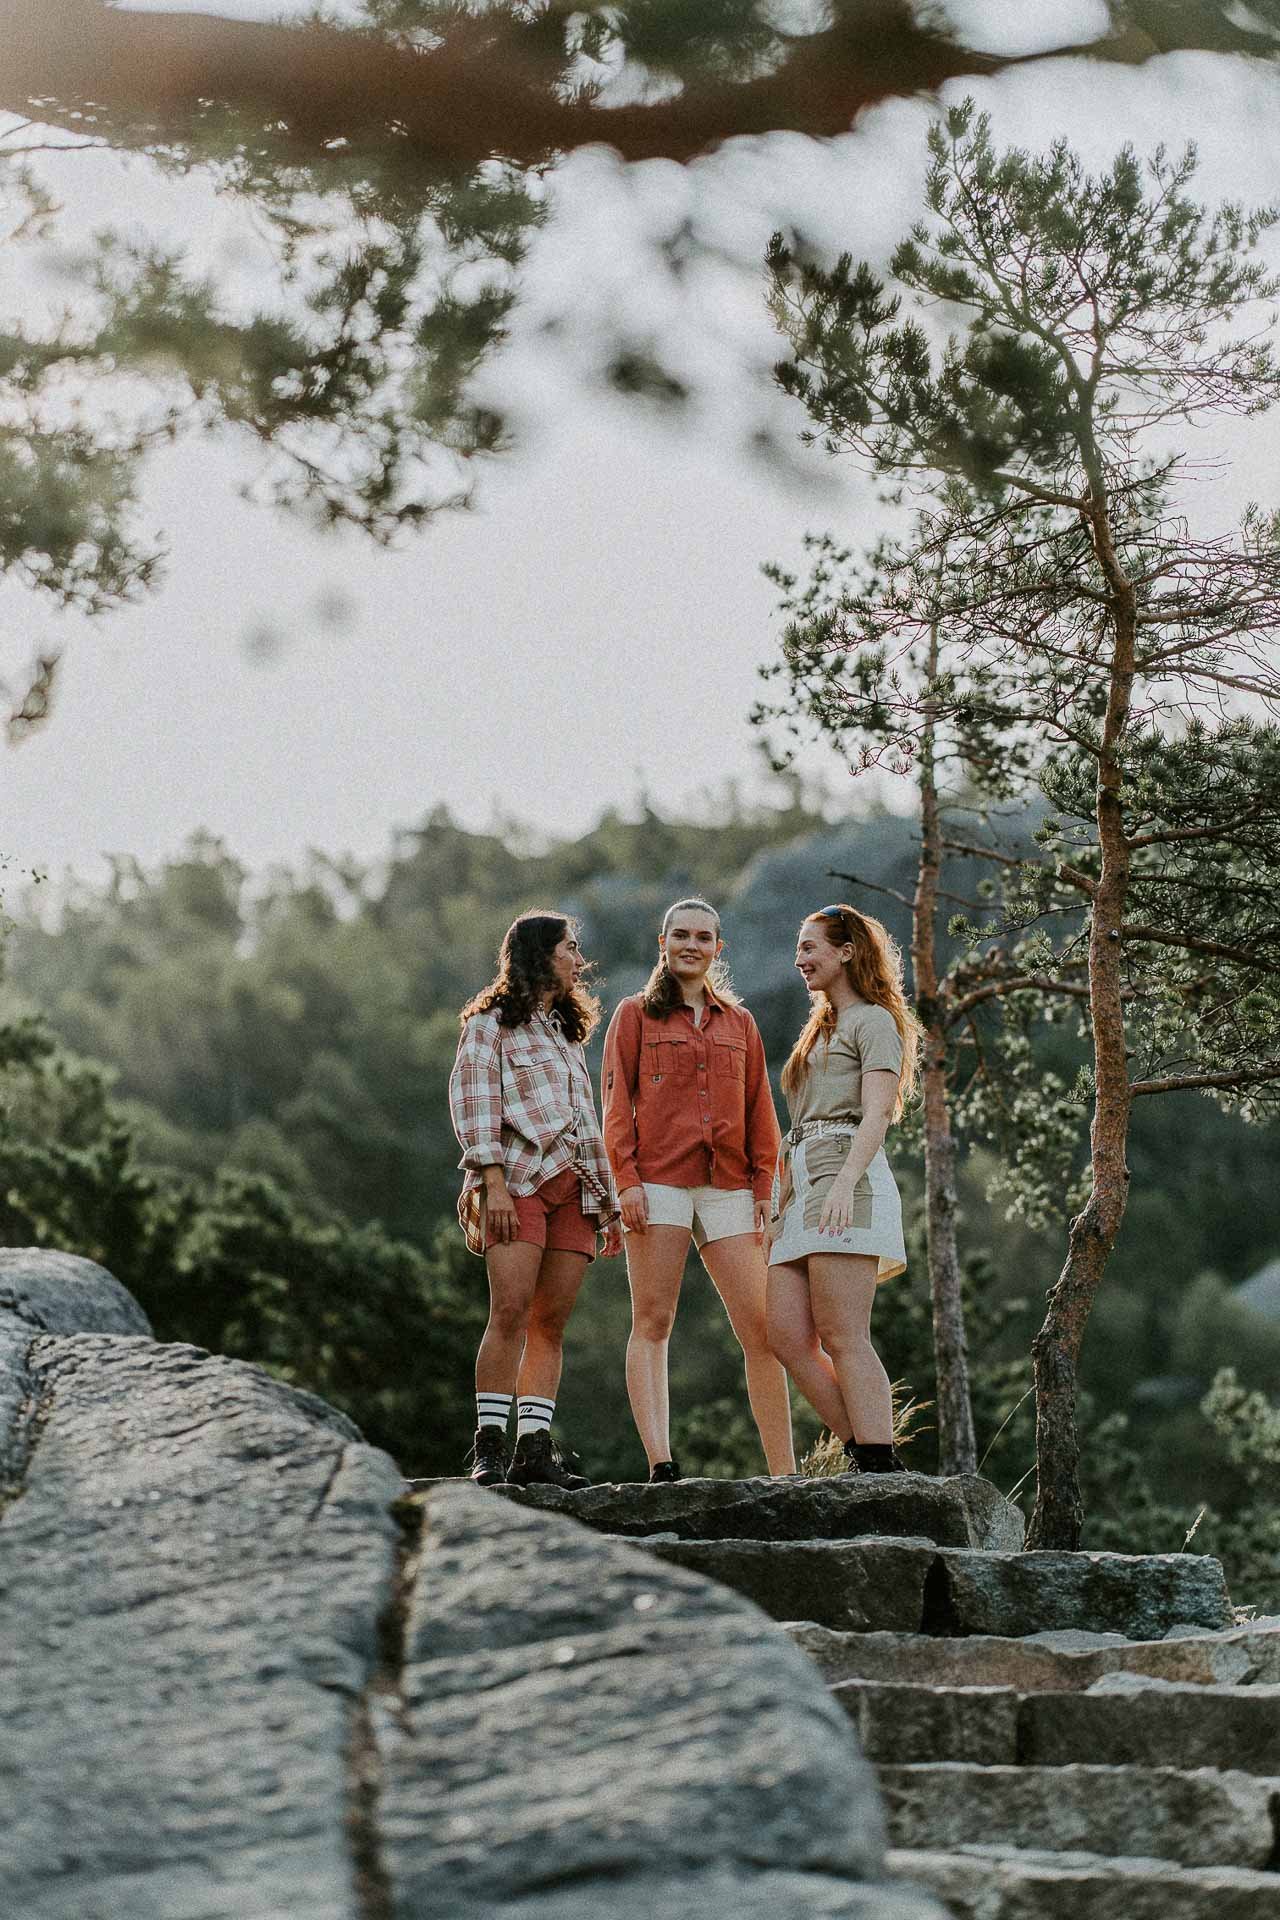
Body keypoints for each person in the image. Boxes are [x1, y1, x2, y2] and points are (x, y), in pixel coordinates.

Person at [601, 897, 795, 1481]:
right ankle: (661, 1462)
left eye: (704, 937)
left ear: (718, 948)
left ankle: (784, 1473)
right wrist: (626, 1181)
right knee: (654, 1321)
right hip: (656, 1182)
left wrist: (767, 1185)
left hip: (731, 1186)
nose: (692, 945)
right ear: (663, 943)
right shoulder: (634, 1015)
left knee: (763, 1331)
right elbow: (615, 1105)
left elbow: (762, 1109)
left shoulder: (741, 1024)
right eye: (680, 935)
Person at [449, 910, 620, 1489]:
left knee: (551, 1322)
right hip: (516, 1181)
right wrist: (490, 1183)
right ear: (538, 954)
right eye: (570, 948)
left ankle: (534, 1450)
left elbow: (585, 1120)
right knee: (510, 1313)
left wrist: (607, 1202)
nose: (579, 959)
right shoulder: (489, 1025)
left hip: (575, 1187)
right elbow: (475, 1107)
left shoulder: (567, 1033)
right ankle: (489, 1447)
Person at [765, 903, 921, 1474]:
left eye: (811, 948)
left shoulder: (873, 1021)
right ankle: (865, 1449)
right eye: (800, 948)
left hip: (844, 1173)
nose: (800, 958)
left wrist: (844, 1184)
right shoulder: (822, 1026)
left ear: (847, 952)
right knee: (783, 1333)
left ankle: (878, 1462)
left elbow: (877, 1114)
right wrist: (781, 1200)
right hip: (801, 1178)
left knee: (842, 1333)